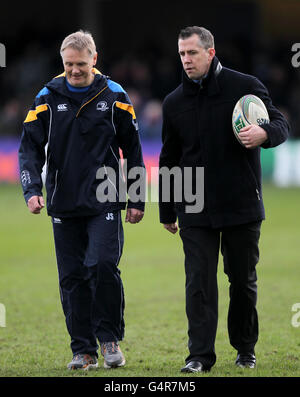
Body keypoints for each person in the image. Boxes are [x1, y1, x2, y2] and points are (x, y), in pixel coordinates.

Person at [159, 26, 289, 373]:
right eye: (182, 54)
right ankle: (199, 357)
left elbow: (280, 124)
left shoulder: (244, 87)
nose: (186, 60)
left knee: (242, 281)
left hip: (241, 201)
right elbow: (170, 158)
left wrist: (264, 133)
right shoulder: (173, 103)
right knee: (198, 282)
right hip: (194, 204)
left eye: (192, 53)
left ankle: (245, 348)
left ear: (210, 52)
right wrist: (167, 209)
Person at [19, 30, 145, 370]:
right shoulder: (47, 95)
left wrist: (137, 199)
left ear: (94, 59)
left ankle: (109, 340)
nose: (75, 70)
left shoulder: (115, 94)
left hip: (106, 197)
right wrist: (32, 190)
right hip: (63, 200)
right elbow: (29, 147)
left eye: (81, 64)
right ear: (63, 62)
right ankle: (83, 350)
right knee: (72, 276)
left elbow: (133, 150)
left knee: (102, 265)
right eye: (69, 64)